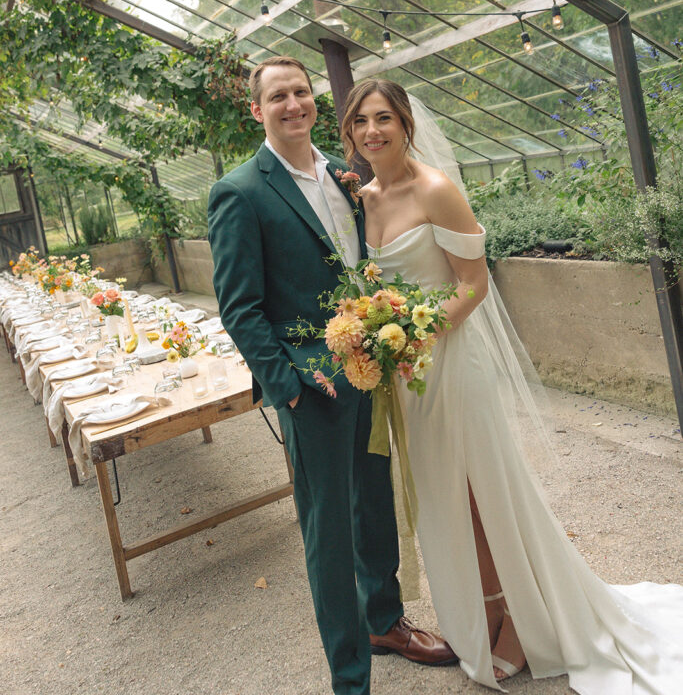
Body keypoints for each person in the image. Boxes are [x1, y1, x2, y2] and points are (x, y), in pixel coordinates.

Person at [340, 77, 683, 694]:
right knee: (444, 497)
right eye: (361, 121)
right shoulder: (362, 198)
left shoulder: (436, 190)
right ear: (349, 131)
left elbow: (474, 283)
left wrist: (417, 334)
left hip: (451, 364)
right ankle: (490, 612)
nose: (373, 131)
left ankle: (516, 622)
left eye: (384, 118)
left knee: (479, 494)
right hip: (408, 381)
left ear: (406, 124)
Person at [208, 56, 455, 695]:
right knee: (328, 531)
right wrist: (285, 388)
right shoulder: (241, 191)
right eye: (278, 97)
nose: (294, 104)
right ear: (256, 110)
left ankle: (385, 620)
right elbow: (239, 305)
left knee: (373, 502)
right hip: (309, 388)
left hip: (368, 369)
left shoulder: (346, 177)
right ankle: (351, 677)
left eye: (301, 92)